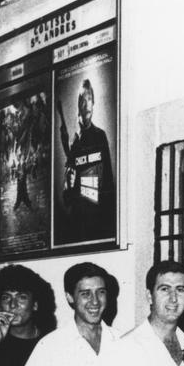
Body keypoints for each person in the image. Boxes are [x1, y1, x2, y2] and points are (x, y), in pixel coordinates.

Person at [57, 79, 114, 244]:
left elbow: (108, 183)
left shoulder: (100, 136)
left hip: (98, 225)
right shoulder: (73, 144)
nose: (86, 104)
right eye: (82, 100)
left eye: (89, 99)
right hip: (77, 226)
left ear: (94, 103)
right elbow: (67, 198)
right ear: (78, 106)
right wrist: (68, 185)